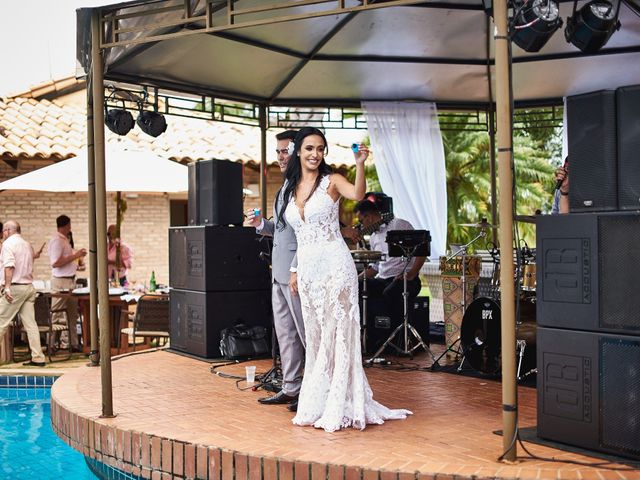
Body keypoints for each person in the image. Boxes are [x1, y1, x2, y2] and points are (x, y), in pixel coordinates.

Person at [280, 127, 411, 432]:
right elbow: (301, 236)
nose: (315, 154)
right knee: (315, 337)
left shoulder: (333, 181)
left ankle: (342, 402)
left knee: (337, 334)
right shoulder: (290, 188)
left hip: (336, 266)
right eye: (310, 148)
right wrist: (295, 270)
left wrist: (361, 163)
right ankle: (320, 401)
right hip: (309, 270)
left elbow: (357, 193)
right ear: (298, 150)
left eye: (321, 149)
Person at [246, 130, 305, 411]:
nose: (281, 157)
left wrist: (295, 269)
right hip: (278, 273)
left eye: (285, 151)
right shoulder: (284, 188)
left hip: (297, 273)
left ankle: (313, 390)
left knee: (306, 334)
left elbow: (307, 234)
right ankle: (291, 388)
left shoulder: (305, 186)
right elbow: (279, 231)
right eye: (278, 152)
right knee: (285, 334)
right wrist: (260, 224)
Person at [353, 200, 426, 328]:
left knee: (390, 292)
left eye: (361, 221)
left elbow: (421, 249)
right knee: (356, 287)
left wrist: (412, 273)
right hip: (383, 280)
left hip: (405, 279)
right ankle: (371, 333)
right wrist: (355, 279)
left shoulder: (398, 224)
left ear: (369, 217)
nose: (361, 226)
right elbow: (375, 267)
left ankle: (395, 336)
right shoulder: (374, 237)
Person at [0, 221, 46, 366]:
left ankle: (38, 357)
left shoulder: (8, 244)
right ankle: (38, 357)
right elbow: (30, 259)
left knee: (1, 321)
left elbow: (9, 266)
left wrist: (7, 287)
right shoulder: (27, 244)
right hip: (28, 288)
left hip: (15, 288)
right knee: (31, 325)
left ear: (7, 231)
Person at [47, 215, 86, 351]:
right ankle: (51, 344)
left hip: (70, 280)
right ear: (66, 225)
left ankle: (73, 343)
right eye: (69, 224)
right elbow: (55, 263)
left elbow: (66, 261)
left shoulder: (65, 241)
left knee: (72, 314)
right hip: (60, 281)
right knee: (56, 314)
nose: (71, 227)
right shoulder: (57, 240)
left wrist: (77, 263)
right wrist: (76, 256)